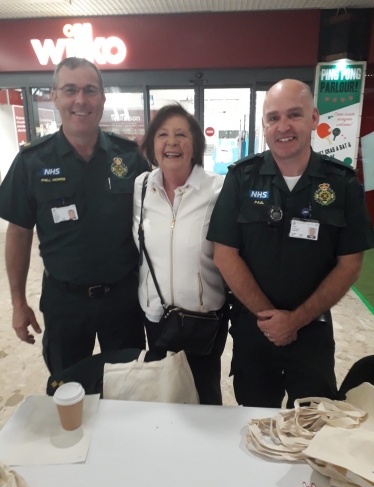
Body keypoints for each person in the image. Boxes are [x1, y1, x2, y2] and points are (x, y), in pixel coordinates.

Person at [207, 79, 374, 408]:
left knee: (312, 427)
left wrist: (294, 321)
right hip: (254, 330)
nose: (283, 126)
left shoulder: (341, 183)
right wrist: (272, 321)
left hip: (311, 333)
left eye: (294, 115)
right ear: (264, 125)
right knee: (254, 423)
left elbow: (350, 265)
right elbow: (224, 255)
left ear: (313, 118)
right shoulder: (241, 179)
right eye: (273, 117)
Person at [0, 57, 150, 374]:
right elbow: (18, 232)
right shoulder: (31, 161)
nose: (80, 100)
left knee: (129, 387)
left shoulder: (129, 157)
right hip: (64, 303)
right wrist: (18, 302)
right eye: (70, 90)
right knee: (68, 390)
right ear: (54, 96)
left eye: (90, 90)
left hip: (123, 300)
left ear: (103, 98)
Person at [132, 104, 228, 405]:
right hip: (157, 317)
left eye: (181, 135)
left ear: (195, 145)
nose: (171, 142)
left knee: (205, 397)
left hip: (203, 321)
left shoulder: (218, 189)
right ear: (152, 145)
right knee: (165, 396)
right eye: (162, 134)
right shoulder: (141, 186)